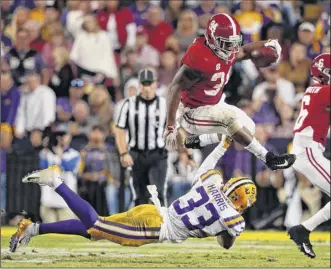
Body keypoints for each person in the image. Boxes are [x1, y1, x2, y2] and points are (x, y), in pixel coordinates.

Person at [9, 135, 257, 252]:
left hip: (152, 211)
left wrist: (223, 144)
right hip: (153, 229)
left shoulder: (211, 182)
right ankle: (57, 182)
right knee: (95, 224)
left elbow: (208, 166)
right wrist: (226, 227)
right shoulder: (234, 218)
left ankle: (32, 229)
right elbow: (225, 244)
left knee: (94, 231)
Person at [164, 13, 295, 171]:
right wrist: (171, 125)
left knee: (248, 127)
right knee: (230, 120)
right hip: (192, 112)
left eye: (233, 43)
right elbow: (175, 88)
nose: (231, 48)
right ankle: (269, 158)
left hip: (214, 104)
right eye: (226, 43)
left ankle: (201, 140)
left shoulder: (224, 49)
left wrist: (269, 43)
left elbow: (245, 51)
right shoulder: (199, 56)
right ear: (212, 40)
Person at [287, 53, 330, 259]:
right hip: (308, 151)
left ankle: (303, 229)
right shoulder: (322, 92)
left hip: (308, 150)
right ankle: (302, 229)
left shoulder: (316, 91)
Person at [115, 69, 168, 206]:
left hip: (158, 153)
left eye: (149, 83)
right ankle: (141, 227)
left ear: (155, 84)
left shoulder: (164, 104)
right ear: (139, 85)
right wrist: (123, 153)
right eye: (144, 84)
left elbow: (175, 129)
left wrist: (186, 153)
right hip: (136, 154)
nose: (147, 88)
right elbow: (120, 130)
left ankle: (161, 226)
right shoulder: (129, 104)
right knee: (139, 197)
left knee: (158, 194)